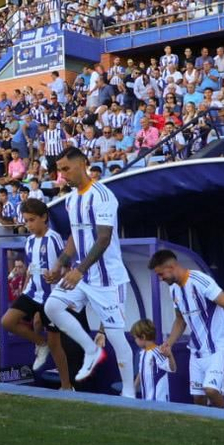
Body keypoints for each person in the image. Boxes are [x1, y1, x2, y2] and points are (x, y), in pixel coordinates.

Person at [42, 147, 136, 397]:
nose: (62, 175)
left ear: (82, 163)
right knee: (52, 307)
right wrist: (61, 263)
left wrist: (79, 270)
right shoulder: (72, 199)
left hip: (107, 279)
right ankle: (91, 349)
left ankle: (129, 394)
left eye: (66, 169)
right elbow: (75, 235)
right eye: (59, 170)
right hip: (82, 275)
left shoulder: (103, 195)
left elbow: (104, 238)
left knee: (117, 337)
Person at [151, 249, 224, 408]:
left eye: (161, 274)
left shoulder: (200, 280)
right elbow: (180, 319)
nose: (160, 279)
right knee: (198, 399)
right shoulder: (173, 288)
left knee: (211, 391)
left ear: (172, 267)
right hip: (196, 351)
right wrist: (169, 343)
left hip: (218, 348)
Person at [1, 198, 67, 385]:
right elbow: (31, 268)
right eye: (26, 220)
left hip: (51, 297)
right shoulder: (29, 241)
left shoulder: (53, 238)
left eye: (31, 220)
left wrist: (59, 275)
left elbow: (67, 266)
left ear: (44, 217)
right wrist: (24, 289)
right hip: (31, 293)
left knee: (56, 345)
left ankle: (66, 386)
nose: (28, 224)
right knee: (7, 321)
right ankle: (40, 342)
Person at [130, 319, 172, 401]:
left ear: (143, 337)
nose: (135, 341)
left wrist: (170, 356)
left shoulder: (158, 352)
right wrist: (134, 387)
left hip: (159, 399)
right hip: (147, 398)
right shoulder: (142, 353)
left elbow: (171, 368)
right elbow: (141, 371)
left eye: (135, 338)